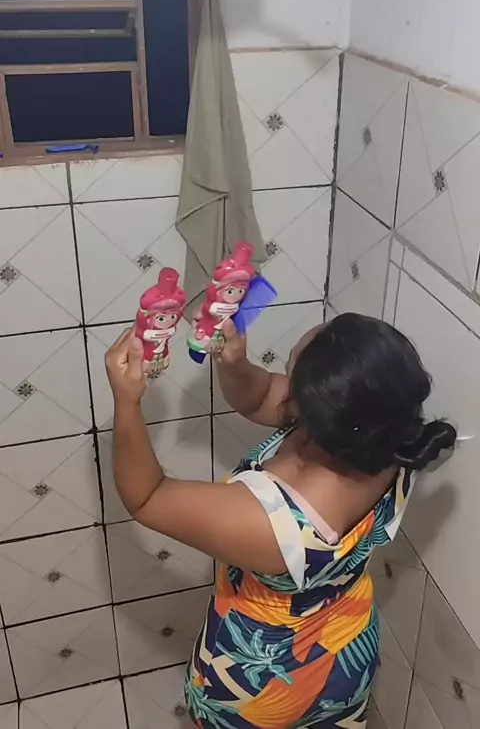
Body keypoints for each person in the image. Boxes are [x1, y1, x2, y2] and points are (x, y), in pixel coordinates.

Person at [105, 312, 456, 729]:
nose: (284, 384)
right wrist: (235, 364)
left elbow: (147, 496)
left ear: (314, 404)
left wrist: (127, 402)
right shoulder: (391, 433)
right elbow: (260, 398)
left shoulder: (274, 523)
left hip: (266, 685)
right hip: (344, 653)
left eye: (294, 372)